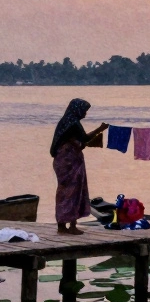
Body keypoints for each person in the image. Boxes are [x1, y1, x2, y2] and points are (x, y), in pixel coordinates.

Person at [50, 98, 108, 234]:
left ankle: (61, 225)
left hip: (61, 161)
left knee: (63, 192)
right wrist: (100, 129)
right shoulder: (73, 123)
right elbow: (84, 139)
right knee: (74, 191)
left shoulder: (64, 122)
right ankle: (72, 226)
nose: (85, 114)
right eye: (84, 111)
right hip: (70, 161)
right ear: (77, 110)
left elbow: (74, 141)